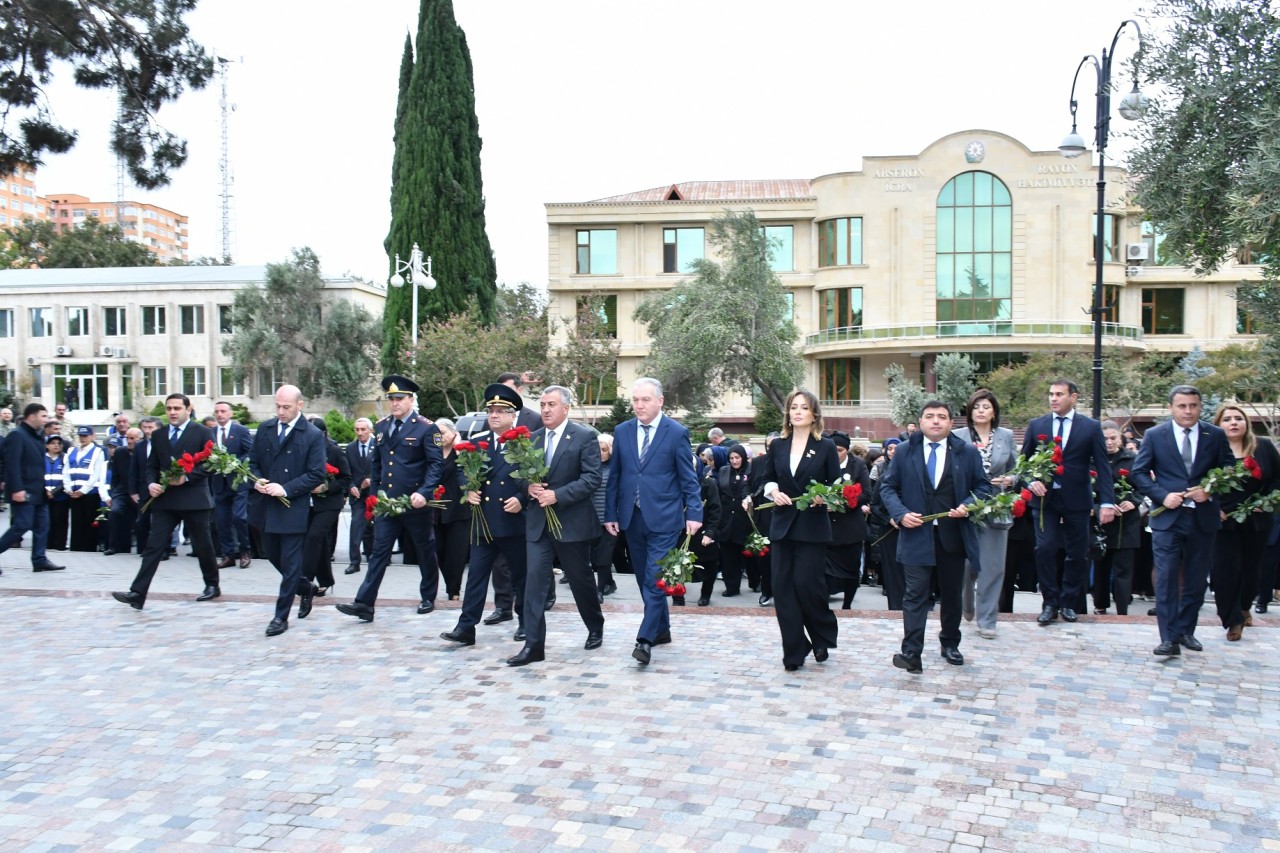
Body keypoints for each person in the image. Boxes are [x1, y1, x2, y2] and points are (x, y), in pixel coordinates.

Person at [880, 400, 994, 674]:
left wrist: (968, 504)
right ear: (920, 422)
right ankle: (911, 652)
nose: (935, 421)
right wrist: (900, 513)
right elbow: (887, 487)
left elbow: (983, 487)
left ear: (950, 422)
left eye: (941, 417)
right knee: (915, 594)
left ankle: (950, 643)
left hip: (952, 537)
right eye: (929, 416)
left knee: (952, 594)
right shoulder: (905, 451)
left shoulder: (965, 452)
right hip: (915, 536)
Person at [603, 378, 701, 667]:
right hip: (631, 518)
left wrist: (694, 512)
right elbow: (616, 476)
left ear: (660, 401)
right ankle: (661, 630)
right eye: (635, 400)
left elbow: (688, 478)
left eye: (645, 399)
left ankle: (644, 640)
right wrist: (610, 513)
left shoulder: (676, 432)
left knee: (653, 580)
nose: (639, 405)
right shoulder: (622, 431)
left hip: (665, 518)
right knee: (642, 578)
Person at [1131, 385, 1234, 657]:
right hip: (1169, 518)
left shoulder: (1216, 435)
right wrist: (1163, 496)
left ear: (1200, 407)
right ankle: (1168, 638)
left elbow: (1229, 471)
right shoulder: (1155, 435)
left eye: (1193, 406)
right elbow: (1139, 473)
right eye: (1182, 406)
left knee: (1196, 579)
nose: (1188, 411)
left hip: (1203, 518)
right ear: (1171, 407)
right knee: (1165, 578)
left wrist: (1210, 490)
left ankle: (1186, 630)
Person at [336, 375, 445, 622]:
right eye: (391, 399)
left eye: (399, 398)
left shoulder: (427, 427)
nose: (394, 403)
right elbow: (377, 465)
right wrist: (375, 496)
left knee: (424, 549)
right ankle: (364, 602)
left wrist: (425, 493)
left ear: (411, 399)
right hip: (388, 504)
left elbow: (435, 466)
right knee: (379, 553)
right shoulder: (383, 426)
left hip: (415, 502)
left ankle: (428, 595)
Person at [509, 385, 603, 666]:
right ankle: (534, 646)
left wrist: (557, 495)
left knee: (580, 580)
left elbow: (591, 479)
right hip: (538, 524)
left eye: (552, 404)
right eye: (543, 404)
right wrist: (530, 487)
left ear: (566, 408)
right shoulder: (532, 440)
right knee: (534, 583)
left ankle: (595, 625)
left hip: (571, 523)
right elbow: (520, 478)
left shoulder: (585, 437)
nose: (546, 410)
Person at [754, 389, 840, 671]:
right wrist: (773, 491)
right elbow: (766, 480)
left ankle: (821, 635)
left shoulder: (825, 447)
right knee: (782, 588)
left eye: (804, 407)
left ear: (814, 414)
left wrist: (823, 495)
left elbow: (835, 485)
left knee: (807, 584)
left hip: (812, 526)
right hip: (782, 526)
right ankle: (794, 649)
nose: (798, 411)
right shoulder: (778, 445)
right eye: (794, 407)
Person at [112, 394, 220, 610]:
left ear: (188, 410)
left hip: (194, 499)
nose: (172, 412)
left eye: (177, 408)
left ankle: (212, 585)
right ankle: (137, 593)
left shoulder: (202, 433)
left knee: (203, 544)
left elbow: (212, 464)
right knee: (154, 546)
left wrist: (187, 477)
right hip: (165, 500)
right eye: (169, 408)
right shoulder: (159, 435)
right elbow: (152, 465)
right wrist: (151, 483)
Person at [1021, 378, 1116, 626]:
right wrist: (1031, 482)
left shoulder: (1091, 427)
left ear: (1073, 397)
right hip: (1045, 501)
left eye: (1059, 394)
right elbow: (1022, 466)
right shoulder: (1037, 425)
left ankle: (1069, 602)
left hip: (1077, 499)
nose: (1053, 398)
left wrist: (1106, 502)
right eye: (1051, 394)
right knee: (1045, 548)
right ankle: (1050, 603)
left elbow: (1103, 467)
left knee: (1077, 554)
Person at [441, 384, 528, 647]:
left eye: (501, 411)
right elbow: (459, 470)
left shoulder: (524, 444)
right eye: (491, 410)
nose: (494, 415)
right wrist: (468, 490)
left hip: (512, 522)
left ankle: (526, 621)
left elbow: (537, 477)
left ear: (513, 415)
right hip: (484, 522)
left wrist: (522, 499)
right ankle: (466, 627)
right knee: (476, 575)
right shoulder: (477, 443)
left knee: (521, 576)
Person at [246, 387, 327, 635]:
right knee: (271, 554)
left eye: (286, 407)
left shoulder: (312, 434)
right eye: (278, 406)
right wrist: (256, 480)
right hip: (266, 507)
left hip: (292, 507)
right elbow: (253, 462)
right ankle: (306, 587)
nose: (281, 412)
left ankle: (280, 617)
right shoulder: (265, 429)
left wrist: (287, 489)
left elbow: (316, 474)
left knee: (291, 564)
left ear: (299, 405)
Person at [952, 389, 1018, 639]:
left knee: (993, 564)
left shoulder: (1006, 436)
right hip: (965, 505)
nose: (981, 411)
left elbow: (1017, 469)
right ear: (969, 411)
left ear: (994, 412)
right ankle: (966, 604)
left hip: (997, 504)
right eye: (976, 406)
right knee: (966, 564)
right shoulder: (958, 436)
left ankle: (988, 619)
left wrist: (1011, 479)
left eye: (986, 407)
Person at [1211, 402, 1279, 642]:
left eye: (1237, 418)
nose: (1233, 423)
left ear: (1246, 422)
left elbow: (1277, 479)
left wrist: (1267, 500)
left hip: (1257, 519)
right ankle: (1233, 620)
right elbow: (1202, 482)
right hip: (1223, 521)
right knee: (1224, 572)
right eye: (1227, 419)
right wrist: (1213, 507)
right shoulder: (1212, 450)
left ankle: (1245, 605)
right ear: (1219, 424)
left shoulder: (1264, 447)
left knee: (1251, 570)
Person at [295, 415, 350, 617]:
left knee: (314, 538)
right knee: (316, 543)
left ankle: (305, 586)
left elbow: (346, 478)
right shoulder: (300, 450)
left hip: (329, 503)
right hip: (306, 504)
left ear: (323, 434)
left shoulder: (333, 450)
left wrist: (327, 486)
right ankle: (326, 581)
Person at [0, 404, 64, 573]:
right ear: (31, 416)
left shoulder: (38, 436)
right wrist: (17, 489)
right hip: (23, 490)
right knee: (21, 525)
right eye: (43, 416)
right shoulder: (17, 435)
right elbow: (12, 465)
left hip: (39, 490)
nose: (46, 420)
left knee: (43, 525)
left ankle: (39, 559)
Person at [1094, 421, 1142, 616]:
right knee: (1100, 567)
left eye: (1113, 438)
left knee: (1123, 569)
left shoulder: (1132, 459)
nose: (1109, 442)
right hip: (1101, 522)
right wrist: (1099, 506)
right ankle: (1100, 605)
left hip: (1126, 522)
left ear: (1120, 438)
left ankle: (1122, 609)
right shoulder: (1093, 459)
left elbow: (1143, 484)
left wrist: (1134, 501)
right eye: (1105, 439)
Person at [825, 431, 872, 610]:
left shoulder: (857, 465)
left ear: (847, 450)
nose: (835, 454)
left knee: (850, 570)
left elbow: (866, 493)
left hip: (849, 528)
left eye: (839, 450)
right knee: (821, 569)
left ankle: (847, 605)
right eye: (832, 450)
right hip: (826, 527)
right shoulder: (821, 463)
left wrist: (842, 503)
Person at [211, 400, 254, 569]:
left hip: (238, 482)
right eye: (217, 411)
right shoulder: (211, 432)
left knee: (239, 517)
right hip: (219, 483)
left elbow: (250, 450)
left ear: (230, 413)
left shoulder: (240, 430)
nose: (220, 414)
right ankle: (228, 554)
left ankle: (245, 551)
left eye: (223, 411)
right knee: (221, 520)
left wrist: (236, 463)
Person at [432, 417, 470, 601]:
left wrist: (458, 446)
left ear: (454, 433)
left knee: (457, 552)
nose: (440, 437)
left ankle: (454, 590)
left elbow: (468, 473)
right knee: (440, 551)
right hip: (436, 510)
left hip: (458, 509)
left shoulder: (461, 453)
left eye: (443, 433)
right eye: (436, 434)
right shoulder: (433, 453)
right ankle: (449, 584)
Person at [715, 444, 754, 600]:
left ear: (743, 457)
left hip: (745, 518)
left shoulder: (751, 470)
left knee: (749, 555)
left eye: (737, 457)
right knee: (728, 555)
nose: (734, 461)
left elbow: (753, 488)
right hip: (726, 519)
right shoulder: (724, 471)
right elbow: (719, 492)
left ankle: (755, 581)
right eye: (731, 458)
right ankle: (732, 586)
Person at [869, 438, 904, 609]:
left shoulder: (915, 476)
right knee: (893, 574)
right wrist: (890, 519)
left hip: (911, 529)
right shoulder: (883, 478)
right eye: (889, 448)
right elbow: (875, 505)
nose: (893, 452)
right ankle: (896, 609)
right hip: (889, 530)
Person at [65, 426, 106, 552]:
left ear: (92, 436)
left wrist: (83, 490)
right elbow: (66, 471)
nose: (83, 438)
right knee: (76, 522)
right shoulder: (72, 451)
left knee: (89, 522)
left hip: (90, 493)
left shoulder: (97, 452)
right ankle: (76, 548)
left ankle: (89, 549)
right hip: (73, 492)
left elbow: (96, 474)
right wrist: (68, 488)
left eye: (86, 436)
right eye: (81, 436)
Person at [344, 417, 375, 574]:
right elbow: (346, 472)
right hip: (358, 496)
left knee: (375, 526)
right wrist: (351, 487)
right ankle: (354, 561)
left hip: (375, 494)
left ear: (370, 430)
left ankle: (375, 557)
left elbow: (384, 468)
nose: (360, 433)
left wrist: (372, 479)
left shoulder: (378, 446)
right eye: (357, 430)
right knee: (356, 526)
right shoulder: (350, 448)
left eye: (363, 429)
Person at [691, 454, 723, 607]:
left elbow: (716, 510)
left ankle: (705, 594)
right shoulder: (675, 482)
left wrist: (710, 533)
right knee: (677, 564)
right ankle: (678, 595)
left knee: (709, 565)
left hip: (703, 531)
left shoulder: (708, 483)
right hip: (682, 532)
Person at [589, 433, 618, 600]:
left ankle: (599, 590)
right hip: (590, 518)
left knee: (604, 555)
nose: (600, 453)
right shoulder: (589, 468)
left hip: (610, 519)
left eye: (604, 449)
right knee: (594, 556)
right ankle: (610, 583)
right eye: (597, 449)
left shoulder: (615, 469)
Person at [105, 428, 141, 555]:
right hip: (122, 491)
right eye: (127, 438)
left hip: (138, 491)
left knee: (140, 519)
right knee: (115, 512)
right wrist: (114, 493)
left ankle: (142, 548)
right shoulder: (120, 452)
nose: (129, 441)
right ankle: (114, 546)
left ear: (139, 439)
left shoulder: (143, 452)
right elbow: (115, 475)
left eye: (132, 438)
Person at [43, 434, 71, 551]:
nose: (56, 445)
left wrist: (54, 492)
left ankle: (60, 545)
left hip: (61, 497)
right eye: (53, 443)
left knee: (61, 521)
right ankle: (48, 544)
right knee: (46, 521)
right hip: (44, 496)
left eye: (58, 443)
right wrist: (45, 491)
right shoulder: (41, 458)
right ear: (47, 445)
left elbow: (66, 478)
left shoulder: (65, 458)